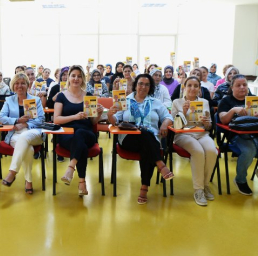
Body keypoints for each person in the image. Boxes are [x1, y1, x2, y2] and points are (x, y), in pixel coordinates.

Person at [107, 74, 174, 204]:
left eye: (147, 84)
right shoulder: (125, 100)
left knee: (146, 143)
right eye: (140, 83)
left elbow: (168, 117)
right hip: (129, 139)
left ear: (150, 87)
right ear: (135, 85)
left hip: (150, 140)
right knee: (146, 137)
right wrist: (110, 115)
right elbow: (115, 121)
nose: (143, 87)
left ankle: (144, 187)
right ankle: (160, 164)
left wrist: (165, 124)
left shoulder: (156, 102)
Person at [54, 65, 104, 196]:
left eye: (79, 76)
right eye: (73, 75)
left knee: (80, 134)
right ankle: (82, 182)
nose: (76, 78)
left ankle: (71, 167)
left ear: (83, 79)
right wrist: (75, 117)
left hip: (87, 134)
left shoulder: (89, 96)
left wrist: (98, 114)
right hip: (67, 135)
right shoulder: (61, 96)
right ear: (68, 78)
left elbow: (92, 122)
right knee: (79, 144)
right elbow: (56, 120)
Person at [171, 76, 217, 206]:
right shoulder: (177, 102)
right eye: (189, 85)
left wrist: (207, 123)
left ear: (199, 88)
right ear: (184, 87)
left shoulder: (204, 102)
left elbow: (208, 126)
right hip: (182, 135)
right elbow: (175, 125)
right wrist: (184, 112)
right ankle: (198, 189)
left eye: (196, 86)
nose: (192, 88)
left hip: (201, 133)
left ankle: (205, 184)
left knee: (211, 150)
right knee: (198, 151)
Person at [0, 72, 46, 194]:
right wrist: (17, 120)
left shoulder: (35, 100)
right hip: (15, 134)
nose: (20, 86)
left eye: (23, 83)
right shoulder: (9, 100)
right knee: (28, 150)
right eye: (17, 83)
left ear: (27, 85)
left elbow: (41, 119)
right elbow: (1, 117)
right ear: (13, 85)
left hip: (34, 132)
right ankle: (28, 181)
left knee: (25, 136)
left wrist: (25, 124)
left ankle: (12, 172)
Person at [218, 75, 258, 195]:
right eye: (238, 85)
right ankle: (240, 179)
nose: (242, 87)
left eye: (244, 85)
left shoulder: (253, 99)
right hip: (236, 135)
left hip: (255, 133)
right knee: (249, 151)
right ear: (232, 87)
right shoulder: (226, 100)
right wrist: (233, 110)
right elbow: (223, 120)